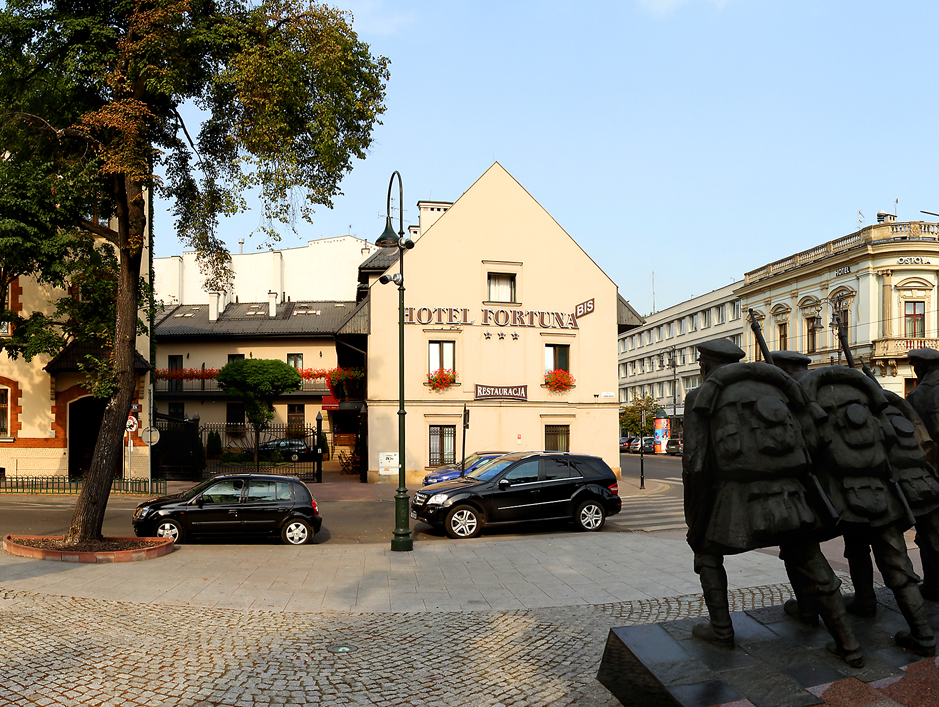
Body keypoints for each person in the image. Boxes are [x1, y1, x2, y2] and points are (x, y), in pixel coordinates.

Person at [683, 340, 862, 666]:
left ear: (705, 365)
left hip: (735, 499)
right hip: (791, 495)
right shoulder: (780, 390)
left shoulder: (701, 396)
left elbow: (696, 465)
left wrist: (695, 518)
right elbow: (813, 442)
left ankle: (721, 631)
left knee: (707, 553)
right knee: (811, 561)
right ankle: (849, 644)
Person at [798, 364, 935, 656]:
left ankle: (847, 637)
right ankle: (922, 634)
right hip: (883, 500)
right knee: (899, 568)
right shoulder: (876, 418)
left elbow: (806, 452)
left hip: (842, 501)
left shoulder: (820, 418)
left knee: (824, 554)